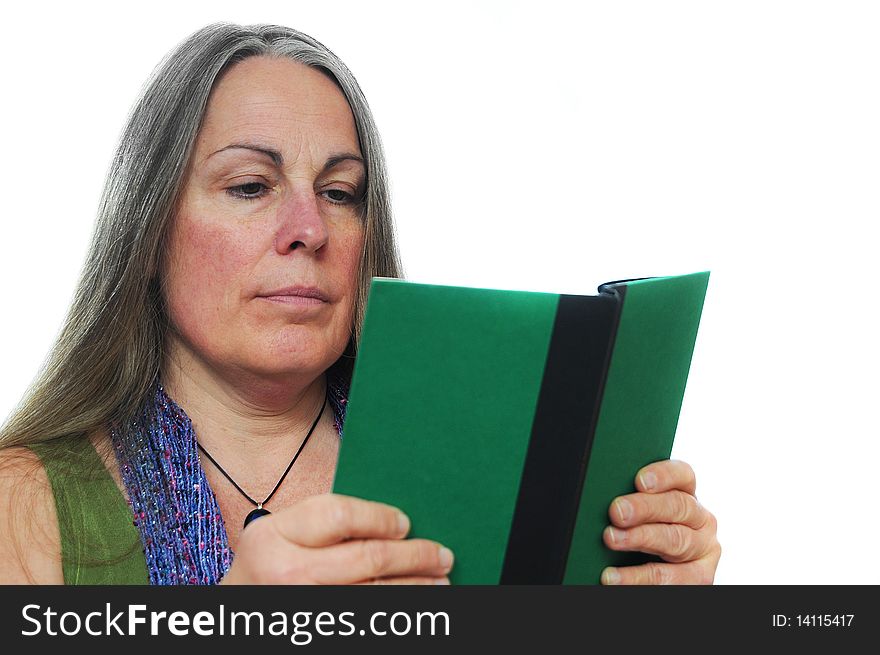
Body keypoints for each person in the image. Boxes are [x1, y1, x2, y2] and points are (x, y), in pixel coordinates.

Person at [0, 22, 720, 585]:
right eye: (251, 186)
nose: (309, 229)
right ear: (150, 230)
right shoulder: (23, 505)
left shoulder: (479, 468)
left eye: (340, 193)